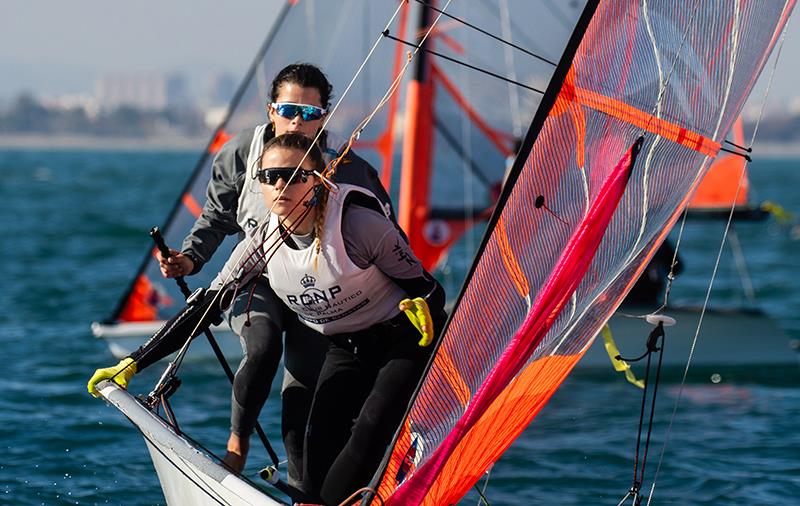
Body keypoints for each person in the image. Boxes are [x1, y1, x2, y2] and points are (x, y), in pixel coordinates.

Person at [88, 63, 400, 494]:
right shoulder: (240, 155)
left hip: (317, 293)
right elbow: (215, 219)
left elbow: (388, 239)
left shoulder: (349, 170)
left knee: (302, 400)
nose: (297, 121)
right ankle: (238, 443)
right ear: (272, 110)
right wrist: (189, 261)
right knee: (264, 344)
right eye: (289, 109)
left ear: (324, 117)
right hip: (255, 280)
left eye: (310, 113)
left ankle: (301, 494)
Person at [219, 133, 446, 505]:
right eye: (270, 176)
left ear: (319, 179)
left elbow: (430, 290)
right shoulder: (262, 242)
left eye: (293, 176)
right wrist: (135, 363)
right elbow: (206, 305)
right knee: (316, 449)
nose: (280, 185)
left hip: (404, 339)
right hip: (346, 346)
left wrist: (424, 307)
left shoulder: (358, 225)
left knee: (369, 429)